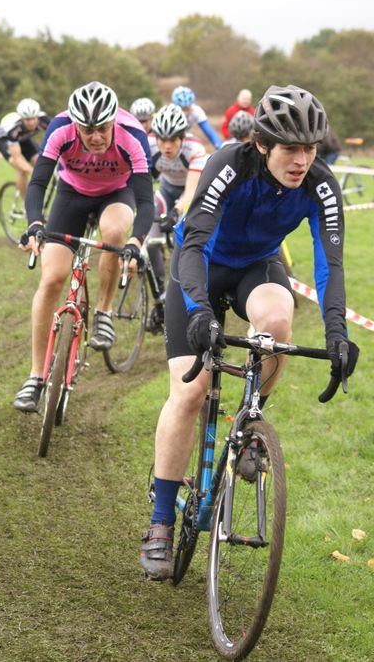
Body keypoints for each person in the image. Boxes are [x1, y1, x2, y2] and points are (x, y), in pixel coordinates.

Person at [140, 84, 359, 580]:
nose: (303, 160)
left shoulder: (320, 184)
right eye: (291, 149)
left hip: (255, 268)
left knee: (279, 322)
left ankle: (247, 424)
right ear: (263, 144)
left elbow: (331, 266)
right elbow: (193, 243)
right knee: (189, 391)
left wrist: (336, 333)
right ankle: (160, 521)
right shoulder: (230, 164)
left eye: (311, 148)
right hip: (198, 267)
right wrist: (199, 311)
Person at [14, 81, 154, 413]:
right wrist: (35, 224)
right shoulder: (61, 129)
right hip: (71, 194)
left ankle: (104, 311)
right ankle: (35, 376)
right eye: (87, 129)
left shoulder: (133, 136)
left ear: (114, 123)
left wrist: (136, 242)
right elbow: (37, 183)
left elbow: (146, 201)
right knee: (51, 278)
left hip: (117, 195)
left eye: (102, 128)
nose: (95, 137)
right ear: (75, 124)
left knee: (114, 231)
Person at [145, 104, 209, 332]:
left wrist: (175, 213)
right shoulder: (149, 145)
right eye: (162, 139)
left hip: (189, 193)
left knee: (179, 241)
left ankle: (183, 292)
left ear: (182, 137)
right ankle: (159, 297)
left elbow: (191, 193)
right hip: (166, 188)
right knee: (149, 239)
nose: (167, 145)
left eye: (173, 140)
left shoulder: (195, 149)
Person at [0, 98, 50, 200]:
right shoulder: (13, 129)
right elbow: (17, 158)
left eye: (34, 118)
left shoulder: (43, 119)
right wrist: (33, 171)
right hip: (5, 140)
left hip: (24, 139)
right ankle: (27, 204)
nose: (32, 123)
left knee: (39, 162)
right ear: (21, 118)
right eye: (27, 120)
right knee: (22, 170)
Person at [171, 86, 222, 151]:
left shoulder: (196, 111)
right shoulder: (170, 112)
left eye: (187, 108)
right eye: (182, 109)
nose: (185, 113)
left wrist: (220, 147)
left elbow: (209, 131)